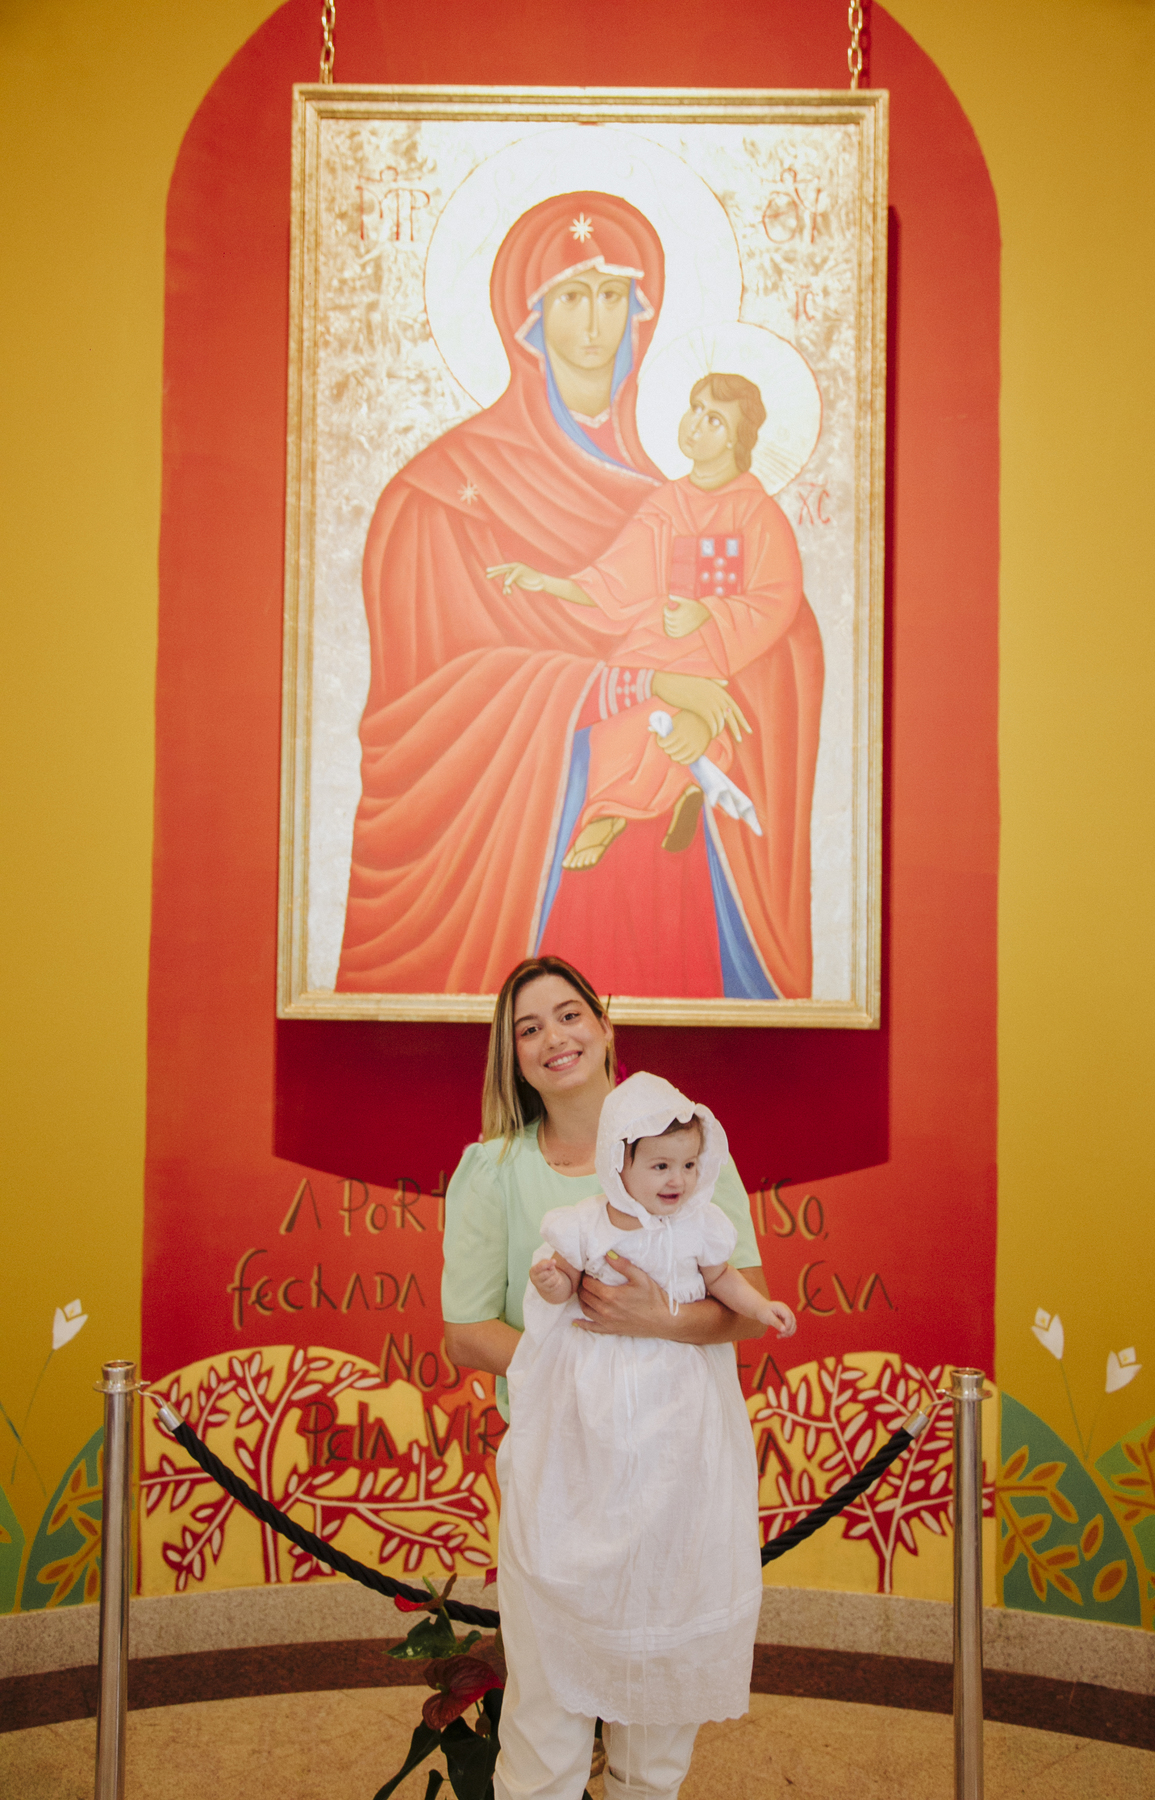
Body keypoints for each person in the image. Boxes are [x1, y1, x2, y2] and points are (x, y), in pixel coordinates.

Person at [336, 193, 743, 996]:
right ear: (526, 319)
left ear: (641, 314)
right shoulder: (443, 495)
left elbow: (758, 626)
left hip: (660, 839)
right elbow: (430, 704)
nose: (595, 322)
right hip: (525, 836)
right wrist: (647, 683)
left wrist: (714, 682)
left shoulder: (679, 498)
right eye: (571, 297)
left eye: (613, 296)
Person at [441, 955, 773, 1800]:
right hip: (563, 1473)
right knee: (545, 1726)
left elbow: (746, 1306)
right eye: (528, 1028)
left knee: (656, 1731)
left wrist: (655, 1322)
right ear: (513, 1058)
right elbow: (465, 1334)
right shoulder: (493, 1170)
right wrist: (580, 1367)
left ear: (604, 1025)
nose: (554, 1037)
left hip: (679, 1471)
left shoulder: (689, 1151)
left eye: (569, 1015)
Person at [502, 1072, 795, 1742]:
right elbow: (560, 1283)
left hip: (677, 1412)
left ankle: (655, 1684)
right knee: (590, 1525)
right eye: (661, 1166)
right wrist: (552, 1281)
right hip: (594, 1412)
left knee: (668, 1535)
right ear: (619, 1162)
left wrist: (762, 1308)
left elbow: (725, 1280)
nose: (677, 1180)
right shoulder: (583, 1223)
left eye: (689, 1166)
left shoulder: (701, 1226)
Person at [488, 372, 802, 873]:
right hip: (654, 642)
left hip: (712, 649)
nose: (695, 424)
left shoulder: (757, 514)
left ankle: (630, 807)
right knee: (619, 722)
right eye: (695, 408)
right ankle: (667, 787)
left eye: (714, 420)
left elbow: (778, 598)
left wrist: (709, 612)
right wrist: (544, 582)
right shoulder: (665, 505)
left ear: (736, 440)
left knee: (671, 717)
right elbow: (614, 582)